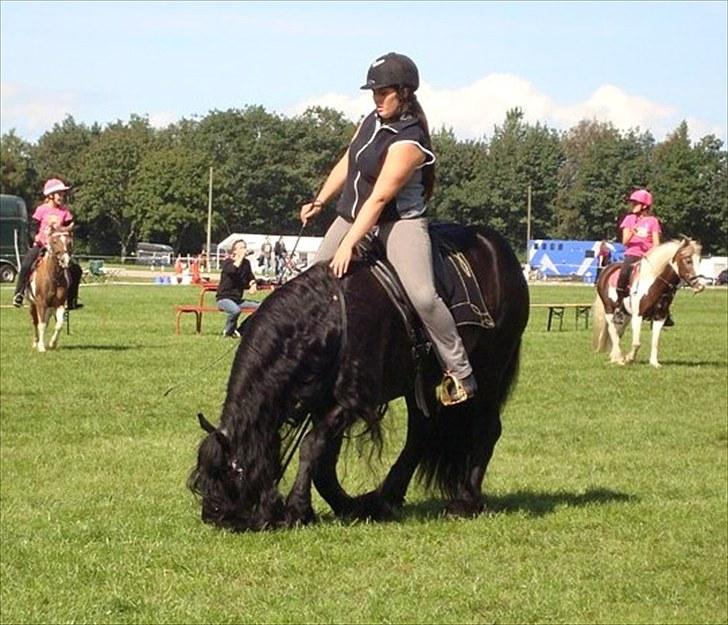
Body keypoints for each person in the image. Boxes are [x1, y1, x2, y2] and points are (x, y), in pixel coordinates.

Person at [299, 52, 476, 406]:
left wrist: (349, 243)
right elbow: (348, 163)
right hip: (352, 217)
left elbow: (379, 199)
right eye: (374, 93)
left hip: (398, 223)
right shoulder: (370, 121)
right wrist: (320, 201)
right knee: (309, 285)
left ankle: (460, 371)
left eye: (383, 92)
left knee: (424, 296)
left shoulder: (410, 140)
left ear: (405, 93)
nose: (377, 99)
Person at [13, 178, 82, 309]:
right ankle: (19, 294)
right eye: (59, 194)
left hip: (58, 249)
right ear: (51, 195)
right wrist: (36, 239)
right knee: (26, 265)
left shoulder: (65, 212)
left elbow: (69, 231)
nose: (62, 197)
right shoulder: (41, 210)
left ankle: (71, 301)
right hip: (41, 246)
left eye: (63, 194)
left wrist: (67, 244)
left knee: (76, 270)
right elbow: (33, 227)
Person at [615, 189, 661, 319]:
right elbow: (624, 241)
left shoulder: (653, 221)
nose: (632, 206)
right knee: (624, 273)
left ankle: (663, 309)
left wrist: (649, 254)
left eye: (635, 203)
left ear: (644, 206)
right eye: (632, 203)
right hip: (633, 253)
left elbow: (656, 243)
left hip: (648, 256)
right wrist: (633, 231)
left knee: (665, 278)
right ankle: (619, 306)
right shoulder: (629, 219)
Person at [216, 239, 259, 338]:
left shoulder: (246, 263)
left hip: (237, 299)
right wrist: (240, 257)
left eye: (245, 247)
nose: (244, 249)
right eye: (241, 248)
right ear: (234, 251)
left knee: (261, 307)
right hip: (224, 298)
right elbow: (233, 270)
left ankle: (241, 330)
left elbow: (250, 277)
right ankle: (228, 332)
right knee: (236, 311)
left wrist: (253, 284)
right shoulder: (227, 262)